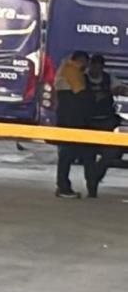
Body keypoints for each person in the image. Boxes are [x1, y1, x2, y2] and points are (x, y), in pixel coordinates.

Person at [84, 54, 128, 197]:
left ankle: (95, 176)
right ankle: (92, 187)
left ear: (102, 66)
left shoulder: (109, 79)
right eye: (92, 64)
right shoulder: (82, 79)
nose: (94, 68)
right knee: (88, 157)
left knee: (110, 153)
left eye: (98, 65)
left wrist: (120, 90)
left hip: (106, 123)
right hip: (87, 124)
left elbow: (121, 89)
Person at [53, 50, 95, 198]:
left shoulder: (66, 68)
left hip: (68, 118)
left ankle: (63, 185)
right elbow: (80, 94)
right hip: (71, 119)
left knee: (66, 154)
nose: (87, 66)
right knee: (67, 154)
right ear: (80, 60)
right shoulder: (72, 70)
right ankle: (63, 187)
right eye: (85, 62)